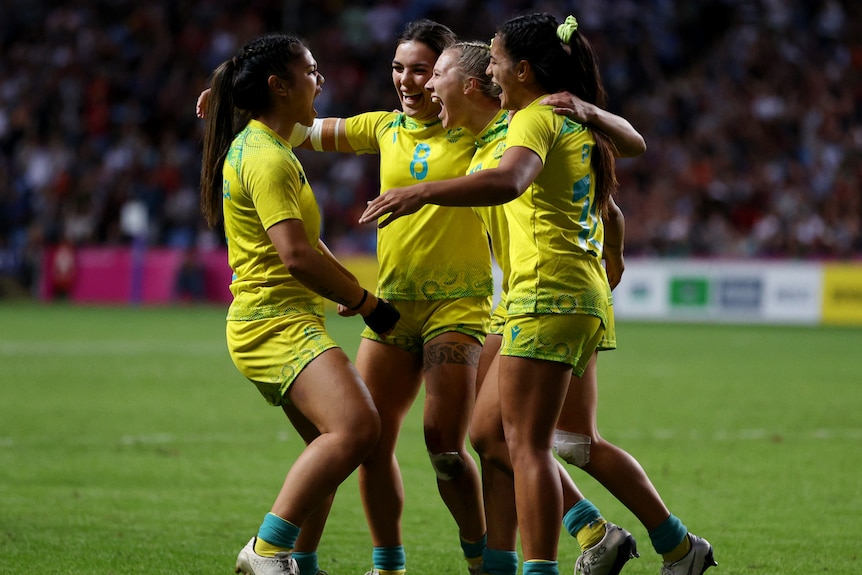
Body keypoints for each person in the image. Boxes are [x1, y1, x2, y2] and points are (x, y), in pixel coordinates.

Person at [359, 13, 717, 575]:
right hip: (545, 296)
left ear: (489, 79)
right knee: (530, 438)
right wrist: (614, 252)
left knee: (523, 445)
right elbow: (610, 203)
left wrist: (420, 192)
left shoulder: (526, 125)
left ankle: (547, 562)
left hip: (546, 294)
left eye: (439, 74)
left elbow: (511, 182)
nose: (426, 86)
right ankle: (672, 544)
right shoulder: (505, 132)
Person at [199, 32, 400, 575]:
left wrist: (347, 291)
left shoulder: (267, 145)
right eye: (311, 70)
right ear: (278, 86)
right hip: (274, 325)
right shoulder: (266, 158)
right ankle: (266, 551)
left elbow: (308, 248)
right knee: (358, 428)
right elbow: (295, 255)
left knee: (328, 449)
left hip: (274, 320)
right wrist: (366, 302)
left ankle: (300, 564)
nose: (320, 79)